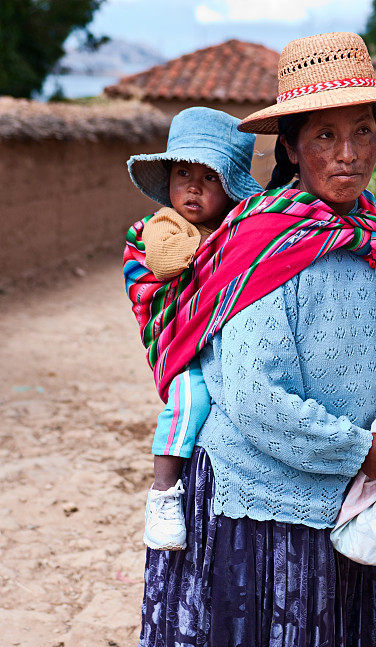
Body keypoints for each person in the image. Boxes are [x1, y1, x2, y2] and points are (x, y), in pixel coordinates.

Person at [136, 32, 376, 647]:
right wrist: (365, 453)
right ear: (293, 147)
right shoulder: (264, 240)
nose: (347, 152)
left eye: (361, 131)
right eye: (324, 135)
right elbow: (255, 398)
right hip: (259, 494)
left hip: (341, 490)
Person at [125, 107, 261, 549]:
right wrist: (205, 250)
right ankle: (163, 491)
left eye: (211, 177)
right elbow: (162, 269)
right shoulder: (162, 227)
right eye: (183, 172)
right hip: (182, 343)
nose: (193, 187)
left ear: (232, 188)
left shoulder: (240, 232)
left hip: (223, 341)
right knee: (191, 398)